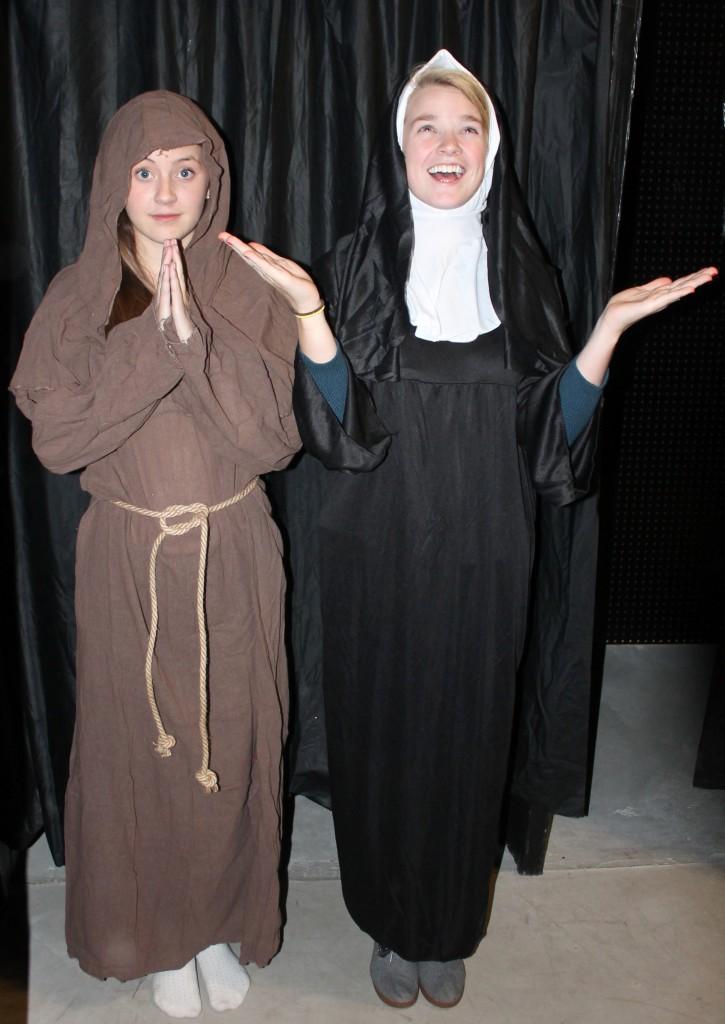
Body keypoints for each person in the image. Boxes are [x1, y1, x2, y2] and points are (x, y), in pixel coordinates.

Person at [221, 50, 716, 1010]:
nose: (447, 144)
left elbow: (551, 452)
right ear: (398, 144)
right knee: (381, 735)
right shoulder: (357, 261)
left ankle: (441, 928)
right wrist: (312, 315)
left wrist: (604, 334)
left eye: (466, 128)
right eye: (427, 126)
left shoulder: (523, 271)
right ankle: (383, 918)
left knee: (466, 738)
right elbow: (341, 436)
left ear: (491, 148)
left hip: (488, 553)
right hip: (376, 552)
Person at [11, 91, 301, 1018]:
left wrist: (199, 342)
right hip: (129, 560)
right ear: (114, 185)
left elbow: (273, 439)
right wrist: (157, 347)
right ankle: (159, 934)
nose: (166, 189)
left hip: (232, 548)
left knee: (235, 740)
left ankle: (216, 923)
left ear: (212, 177)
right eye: (145, 171)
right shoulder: (77, 292)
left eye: (186, 168)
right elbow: (56, 439)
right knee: (142, 754)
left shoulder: (245, 283)